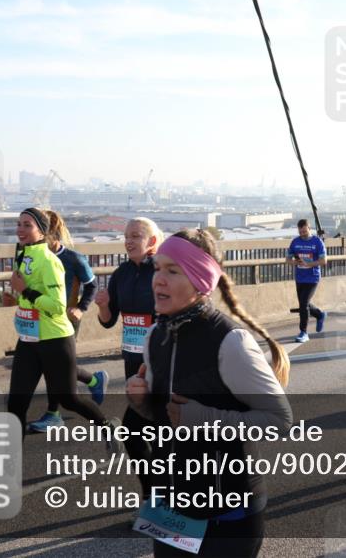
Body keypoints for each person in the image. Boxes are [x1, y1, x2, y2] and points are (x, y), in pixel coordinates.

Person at [126, 229, 292, 557]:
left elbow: (279, 420)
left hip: (227, 515)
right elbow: (167, 421)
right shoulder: (155, 336)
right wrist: (144, 404)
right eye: (157, 268)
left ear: (201, 280)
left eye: (173, 271)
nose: (158, 279)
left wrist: (203, 418)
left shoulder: (230, 341)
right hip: (172, 508)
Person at [6, 207, 117, 446]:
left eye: (27, 225)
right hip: (28, 339)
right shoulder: (22, 255)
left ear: (42, 231)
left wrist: (25, 290)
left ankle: (107, 427)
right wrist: (20, 298)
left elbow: (56, 306)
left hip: (55, 339)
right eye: (19, 224)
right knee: (16, 405)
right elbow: (29, 297)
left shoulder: (50, 261)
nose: (20, 230)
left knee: (69, 400)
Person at [95, 216, 163, 499]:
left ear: (152, 241)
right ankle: (156, 496)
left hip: (161, 365)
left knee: (150, 436)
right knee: (139, 436)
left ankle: (162, 498)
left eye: (136, 235)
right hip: (134, 365)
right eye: (126, 235)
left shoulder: (162, 270)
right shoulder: (121, 273)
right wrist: (103, 306)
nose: (129, 240)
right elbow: (109, 322)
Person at [28, 210, 109, 433]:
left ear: (52, 235)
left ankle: (54, 414)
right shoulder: (36, 257)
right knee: (57, 366)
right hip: (42, 320)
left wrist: (81, 308)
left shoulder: (73, 258)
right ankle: (94, 381)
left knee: (56, 367)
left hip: (66, 320)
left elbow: (92, 284)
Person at [287, 219, 327, 343]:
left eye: (304, 231)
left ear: (309, 229)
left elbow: (323, 261)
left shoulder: (317, 242)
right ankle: (320, 315)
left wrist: (310, 264)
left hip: (313, 277)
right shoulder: (295, 242)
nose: (302, 234)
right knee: (304, 304)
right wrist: (294, 262)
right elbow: (288, 259)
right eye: (300, 231)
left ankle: (303, 332)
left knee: (303, 303)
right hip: (300, 277)